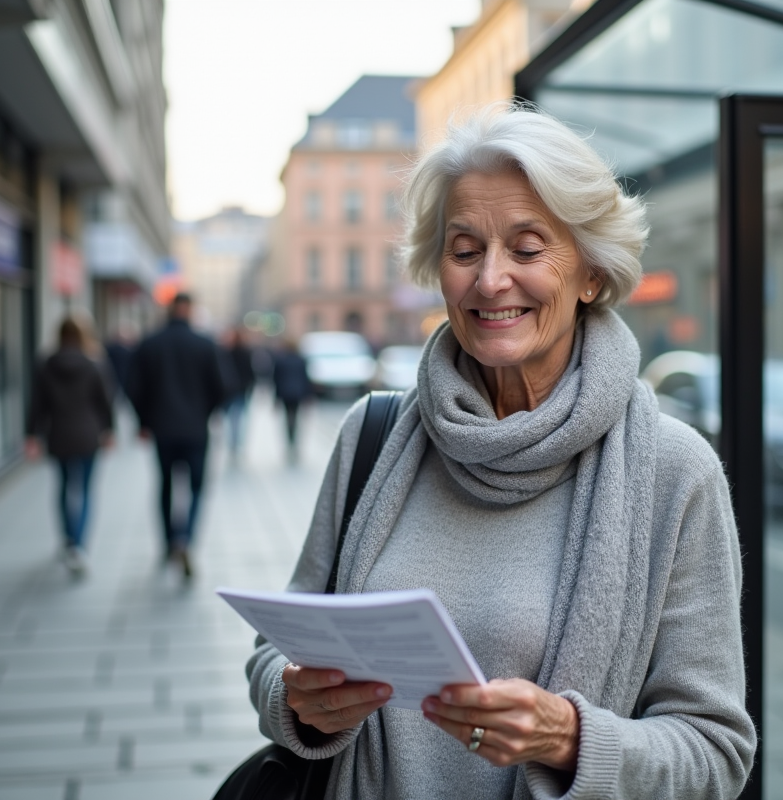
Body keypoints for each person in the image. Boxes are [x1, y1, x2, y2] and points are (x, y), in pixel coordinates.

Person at [244, 107, 755, 798]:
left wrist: (567, 740)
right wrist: (295, 699)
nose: (489, 281)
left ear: (591, 275)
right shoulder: (373, 436)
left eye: (526, 247)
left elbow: (716, 754)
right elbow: (279, 649)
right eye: (464, 250)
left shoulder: (676, 469)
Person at [127, 293, 227, 578]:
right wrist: (205, 412)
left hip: (162, 429)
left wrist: (144, 421)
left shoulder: (150, 343)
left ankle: (169, 542)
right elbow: (222, 386)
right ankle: (186, 538)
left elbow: (133, 388)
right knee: (196, 487)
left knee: (165, 485)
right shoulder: (205, 344)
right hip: (196, 429)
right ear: (190, 311)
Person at [25, 316, 114, 578]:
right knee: (85, 490)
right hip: (88, 434)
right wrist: (110, 430)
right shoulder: (95, 362)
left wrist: (31, 434)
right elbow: (105, 400)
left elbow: (36, 403)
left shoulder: (46, 364)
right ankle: (79, 546)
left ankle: (68, 540)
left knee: (64, 487)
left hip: (59, 434)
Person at [272, 337, 312, 461]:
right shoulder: (301, 360)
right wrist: (308, 395)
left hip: (285, 393)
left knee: (288, 417)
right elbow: (305, 379)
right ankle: (293, 440)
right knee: (295, 417)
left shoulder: (280, 360)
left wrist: (276, 398)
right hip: (298, 393)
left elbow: (276, 380)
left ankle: (290, 440)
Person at [223, 328, 258, 460]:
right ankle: (236, 442)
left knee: (233, 418)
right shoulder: (245, 353)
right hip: (241, 390)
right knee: (238, 417)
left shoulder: (227, 352)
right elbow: (251, 372)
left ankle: (233, 442)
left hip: (231, 390)